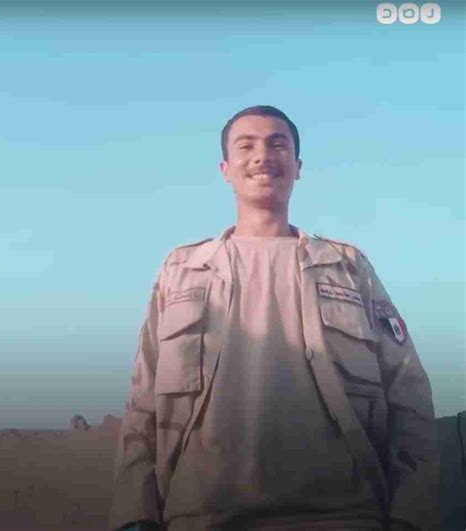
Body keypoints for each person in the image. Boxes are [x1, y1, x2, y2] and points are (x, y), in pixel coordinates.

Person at [108, 106, 440, 531]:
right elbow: (143, 400)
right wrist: (135, 514)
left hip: (343, 516)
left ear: (298, 167)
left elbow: (407, 392)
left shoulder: (346, 266)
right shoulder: (182, 269)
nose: (263, 155)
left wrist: (412, 513)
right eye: (246, 146)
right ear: (225, 169)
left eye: (277, 144)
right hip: (199, 517)